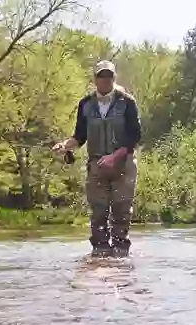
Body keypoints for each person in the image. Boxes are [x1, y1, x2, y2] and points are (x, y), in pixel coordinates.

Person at [52, 60, 142, 255]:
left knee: (121, 211)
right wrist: (65, 145)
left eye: (109, 76)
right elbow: (80, 136)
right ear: (95, 79)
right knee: (99, 212)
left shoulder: (127, 102)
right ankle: (100, 254)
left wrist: (114, 156)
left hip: (123, 164)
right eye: (101, 76)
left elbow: (135, 136)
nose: (105, 80)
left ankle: (120, 254)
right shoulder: (85, 104)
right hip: (97, 166)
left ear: (114, 78)